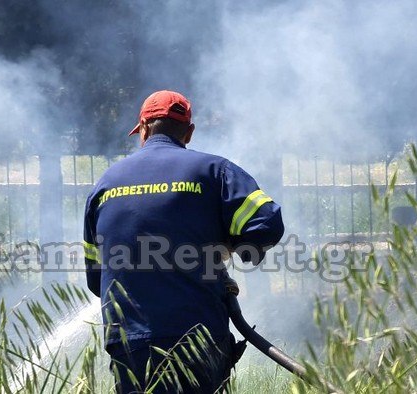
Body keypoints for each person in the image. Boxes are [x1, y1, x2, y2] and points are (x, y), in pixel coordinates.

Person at [83, 90, 284, 393]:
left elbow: (96, 278)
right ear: (188, 133)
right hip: (198, 341)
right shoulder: (215, 171)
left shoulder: (104, 184)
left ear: (143, 129)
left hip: (129, 345)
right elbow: (267, 223)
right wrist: (233, 248)